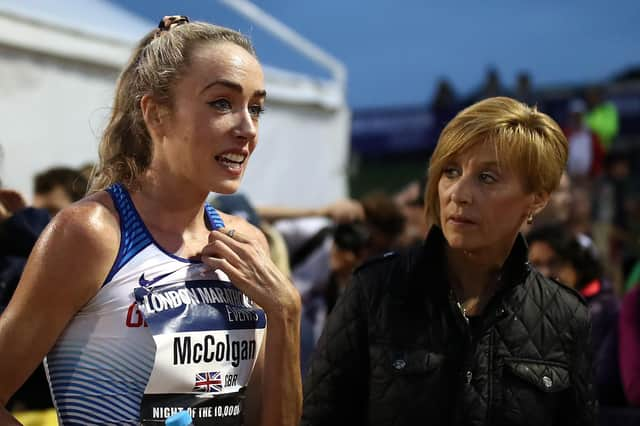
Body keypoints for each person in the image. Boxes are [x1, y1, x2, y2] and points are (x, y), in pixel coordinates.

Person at [0, 16, 301, 426]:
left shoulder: (246, 242)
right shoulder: (92, 233)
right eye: (221, 103)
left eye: (257, 108)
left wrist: (285, 314)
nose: (247, 128)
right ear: (156, 114)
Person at [302, 97, 596, 425]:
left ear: (537, 200)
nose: (458, 193)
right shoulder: (374, 291)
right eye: (451, 171)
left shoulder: (565, 317)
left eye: (487, 177)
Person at [527, 224, 624, 405]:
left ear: (576, 265)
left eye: (554, 262)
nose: (545, 273)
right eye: (536, 265)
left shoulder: (601, 310)